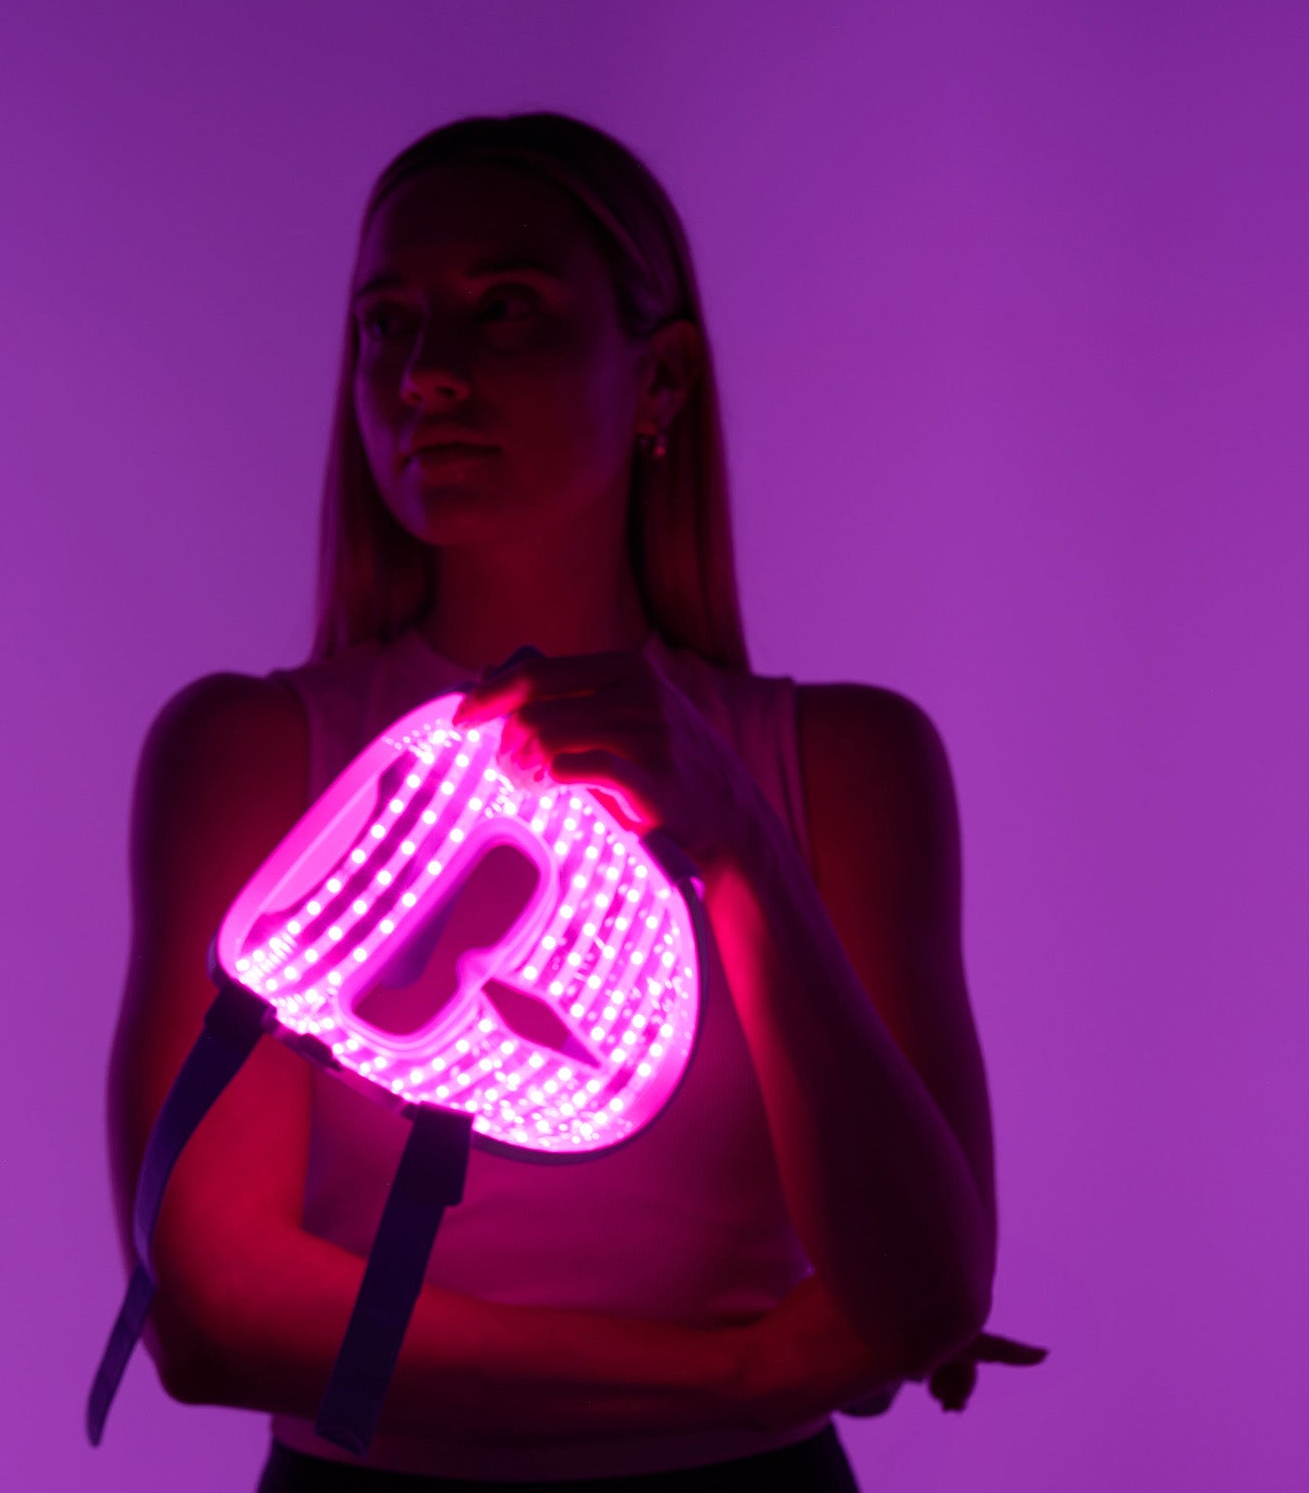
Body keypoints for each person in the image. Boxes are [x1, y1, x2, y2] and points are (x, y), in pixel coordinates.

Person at [105, 112, 1043, 1490]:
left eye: (509, 311)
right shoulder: (251, 754)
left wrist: (742, 855)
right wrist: (740, 1372)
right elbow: (212, 1317)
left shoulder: (843, 765)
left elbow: (920, 1295)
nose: (426, 375)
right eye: (387, 322)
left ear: (659, 379)